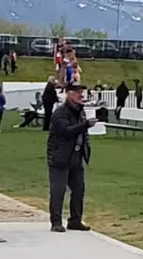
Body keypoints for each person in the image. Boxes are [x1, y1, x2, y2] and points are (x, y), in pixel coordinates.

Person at [47, 82, 93, 233]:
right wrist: (85, 125)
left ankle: (75, 220)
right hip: (60, 157)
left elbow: (82, 134)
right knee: (58, 190)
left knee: (79, 189)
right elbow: (66, 131)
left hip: (76, 156)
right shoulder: (60, 113)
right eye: (77, 92)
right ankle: (56, 222)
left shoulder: (80, 111)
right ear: (68, 94)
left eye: (82, 92)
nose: (81, 95)